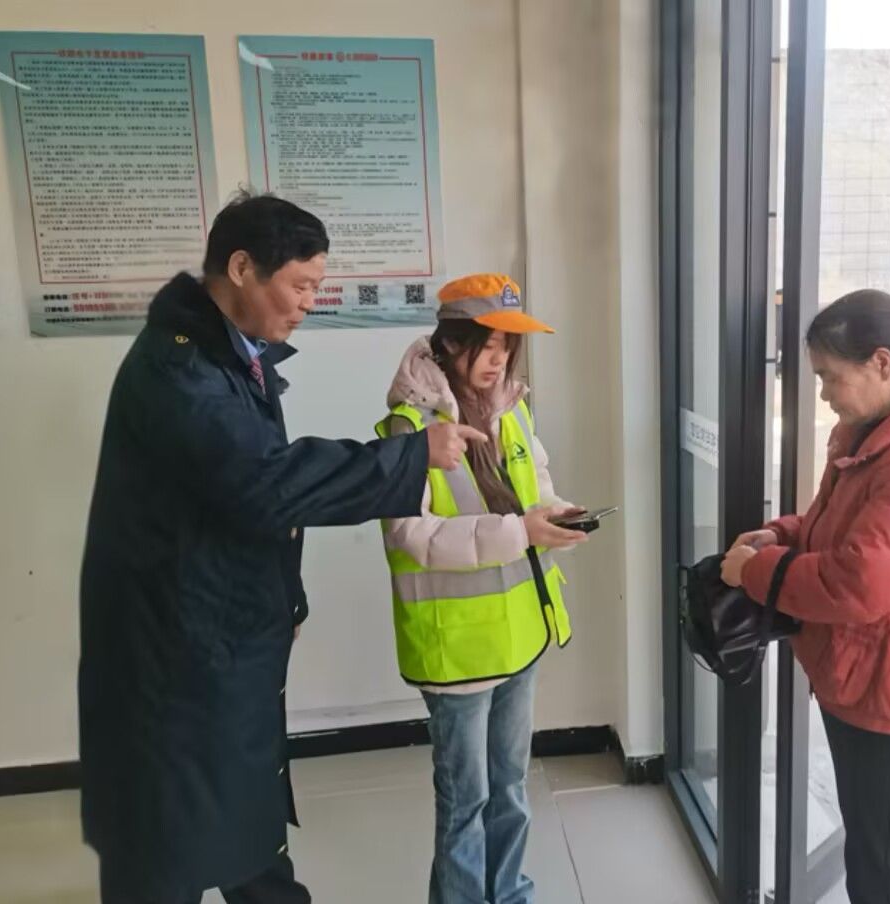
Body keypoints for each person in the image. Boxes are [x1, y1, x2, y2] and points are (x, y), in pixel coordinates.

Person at [79, 192, 485, 904]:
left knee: (242, 809)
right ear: (242, 267)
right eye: (299, 285)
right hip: (174, 644)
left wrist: (285, 598)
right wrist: (412, 455)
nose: (308, 304)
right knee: (166, 839)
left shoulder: (230, 354)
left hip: (224, 625)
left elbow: (249, 500)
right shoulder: (180, 371)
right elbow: (265, 481)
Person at [376, 274, 586, 904]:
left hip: (522, 633)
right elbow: (412, 536)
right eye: (487, 345)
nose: (498, 361)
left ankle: (510, 894)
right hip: (457, 652)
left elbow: (536, 488)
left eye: (506, 347)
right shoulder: (408, 428)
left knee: (511, 789)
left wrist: (557, 517)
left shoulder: (511, 409)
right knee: (466, 803)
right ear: (450, 342)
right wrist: (520, 531)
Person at [721, 287, 890, 904]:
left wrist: (755, 572)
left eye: (830, 377)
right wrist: (779, 535)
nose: (825, 394)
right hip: (860, 676)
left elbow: (861, 582)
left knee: (883, 861)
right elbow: (830, 527)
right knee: (871, 843)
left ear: (883, 364)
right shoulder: (867, 433)